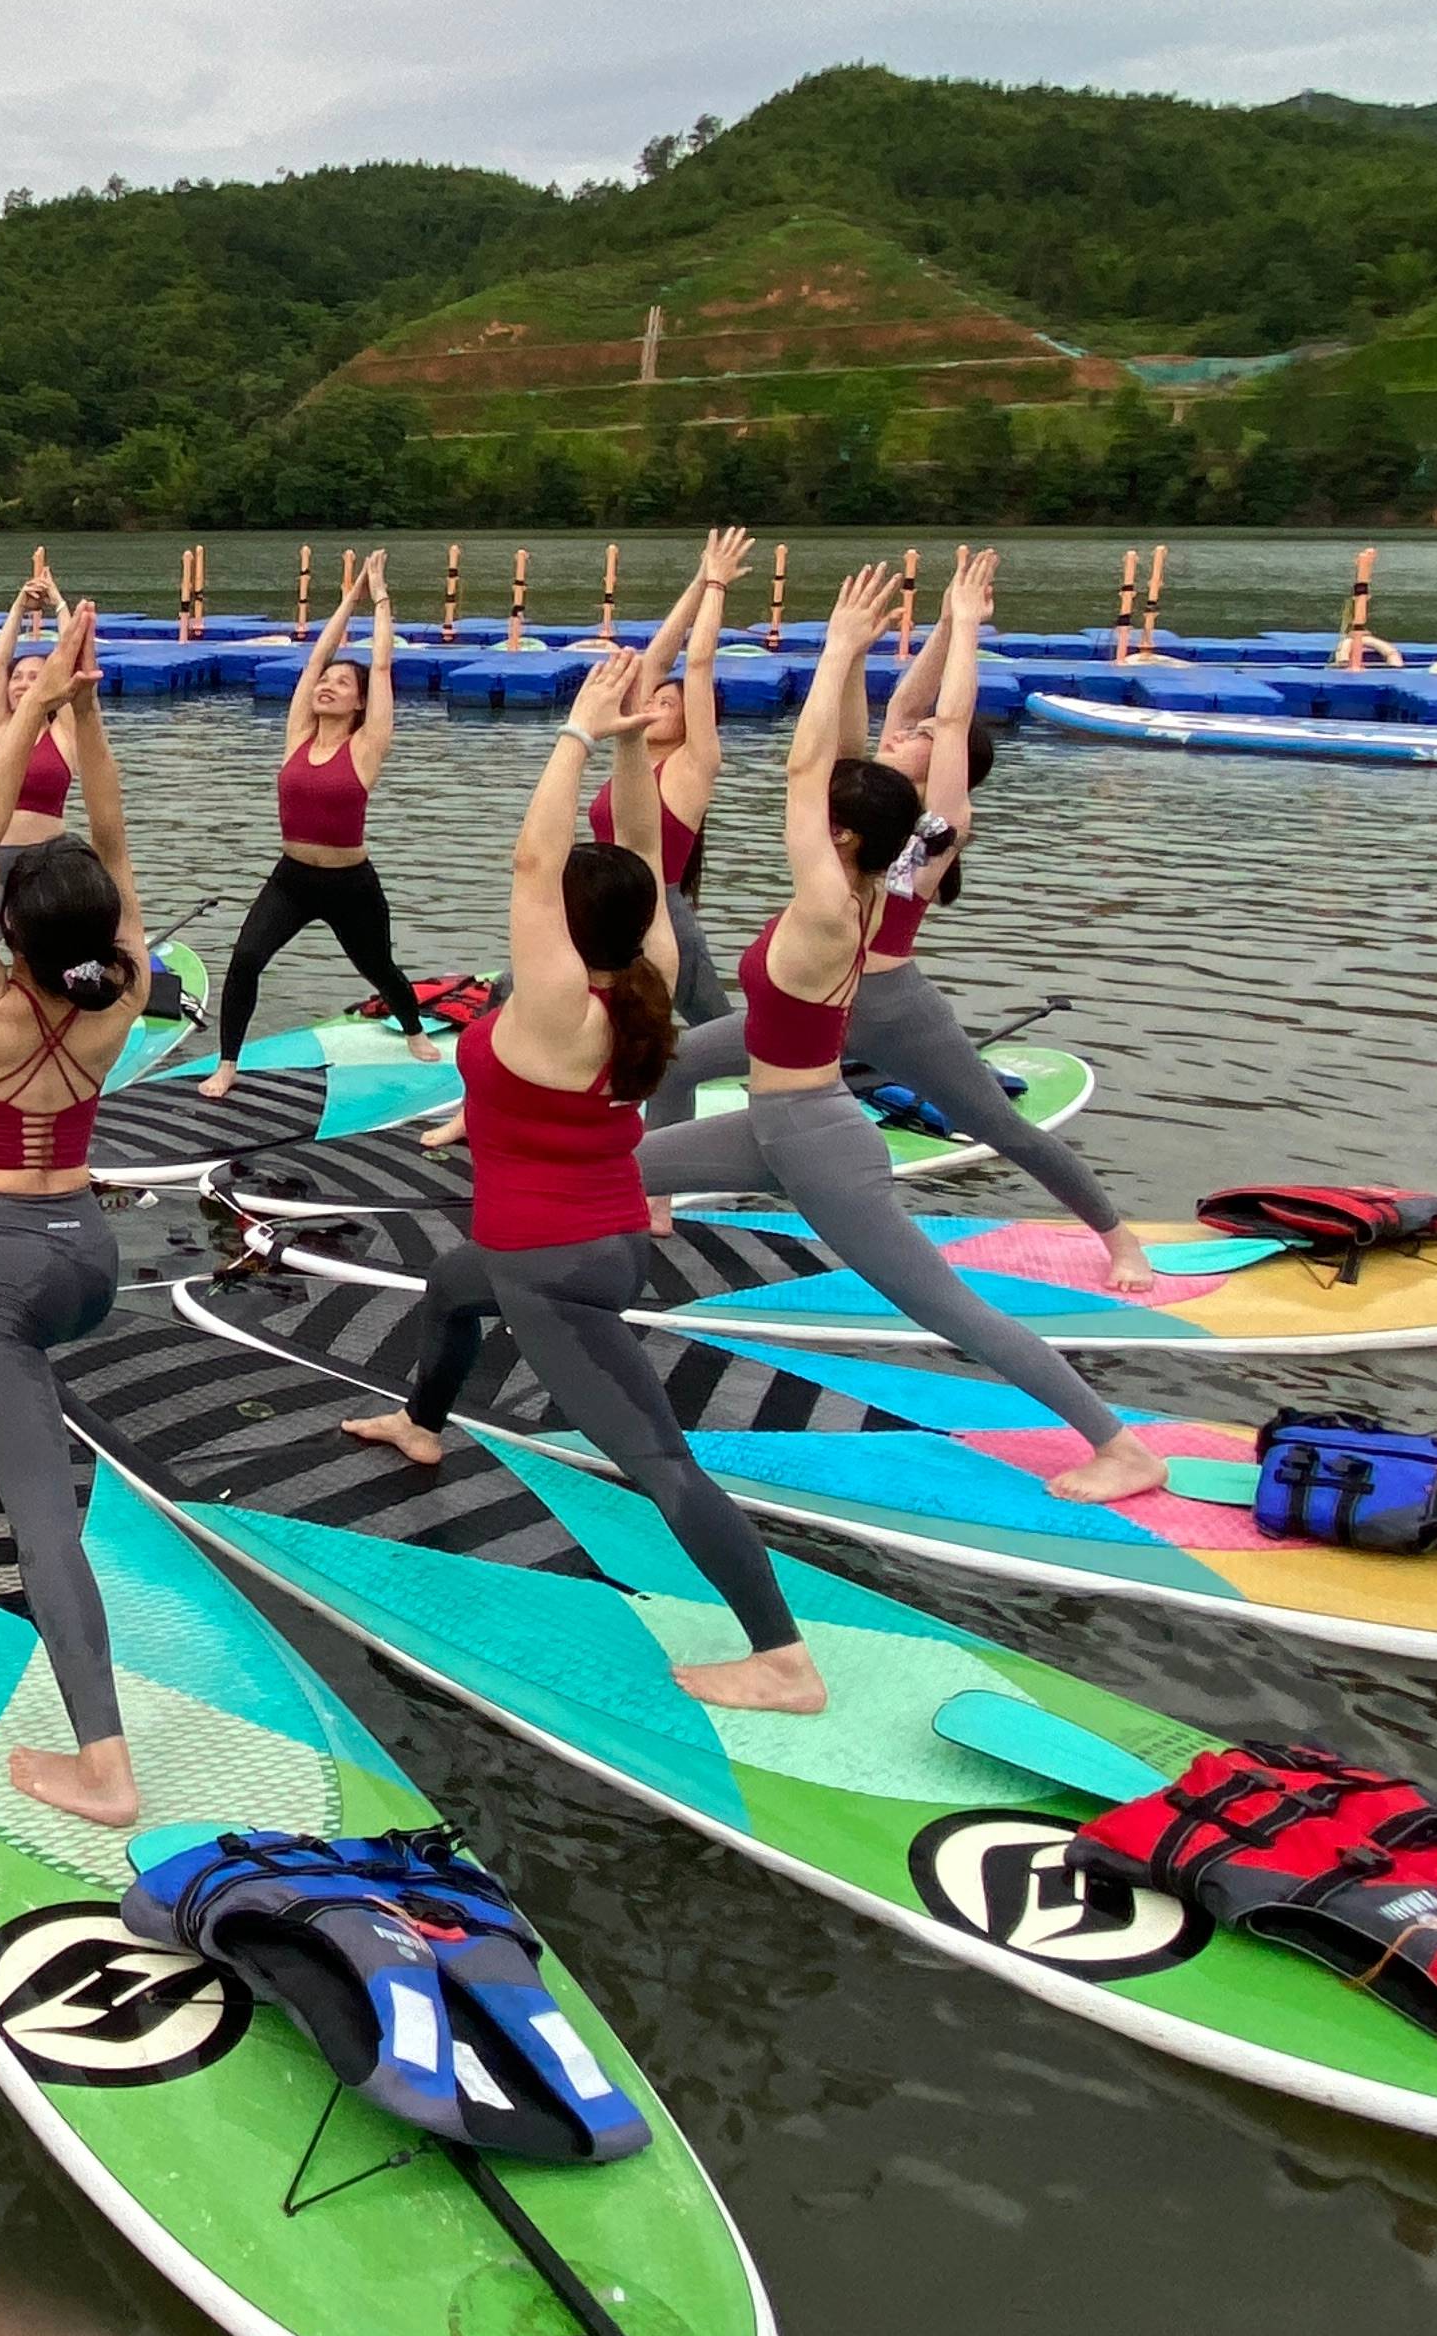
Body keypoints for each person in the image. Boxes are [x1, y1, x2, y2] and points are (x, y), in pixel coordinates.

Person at [337, 650, 821, 1713]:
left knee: (659, 1463)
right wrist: (640, 747)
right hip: (589, 1242)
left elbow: (530, 861)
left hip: (552, 1269)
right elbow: (640, 850)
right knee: (451, 1287)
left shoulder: (556, 1011)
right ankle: (424, 1423)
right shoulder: (643, 980)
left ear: (566, 922)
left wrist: (577, 734)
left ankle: (783, 1658)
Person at [632, 568, 1155, 1508]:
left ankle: (1119, 1437)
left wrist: (925, 637)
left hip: (851, 1079)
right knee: (617, 1158)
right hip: (784, 1097)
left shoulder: (899, 862)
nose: (905, 734)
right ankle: (583, 1301)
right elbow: (864, 743)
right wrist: (888, 645)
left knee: (945, 1288)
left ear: (842, 833)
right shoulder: (864, 844)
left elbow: (902, 744)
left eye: (914, 741)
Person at [0, 602, 156, 1824]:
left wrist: (35, 704)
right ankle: (10, 1416)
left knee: (40, 1517)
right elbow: (114, 839)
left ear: (13, 929)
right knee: (18, 1396)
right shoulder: (117, 997)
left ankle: (105, 1763)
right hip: (90, 1257)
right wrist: (84, 713)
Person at [858, 546, 1170, 1331]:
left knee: (998, 1127)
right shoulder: (874, 806)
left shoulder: (934, 833)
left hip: (892, 1006)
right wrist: (942, 625)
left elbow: (950, 718)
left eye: (919, 739)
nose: (899, 735)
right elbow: (910, 706)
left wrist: (966, 630)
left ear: (947, 764)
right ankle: (652, 1196)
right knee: (683, 1061)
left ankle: (1119, 1237)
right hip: (814, 998)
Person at [203, 552, 429, 1097]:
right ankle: (228, 1063)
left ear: (359, 705)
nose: (327, 685)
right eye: (324, 682)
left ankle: (415, 1028)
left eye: (340, 685)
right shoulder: (298, 737)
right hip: (293, 881)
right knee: (246, 958)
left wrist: (378, 598)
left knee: (380, 968)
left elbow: (380, 667)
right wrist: (346, 598)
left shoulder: (366, 748)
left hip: (351, 885)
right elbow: (312, 661)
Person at [601, 529, 748, 1054]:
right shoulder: (633, 752)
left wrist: (717, 586)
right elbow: (657, 659)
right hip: (604, 901)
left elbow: (699, 662)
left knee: (716, 1028)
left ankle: (807, 1069)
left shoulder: (695, 764)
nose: (654, 701)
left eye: (667, 702)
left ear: (692, 720)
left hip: (661, 910)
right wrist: (697, 579)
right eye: (653, 698)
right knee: (515, 987)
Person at [0, 574, 81, 891]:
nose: (23, 683)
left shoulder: (62, 734)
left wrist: (59, 603)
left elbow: (71, 663)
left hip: (49, 862)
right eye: (18, 677)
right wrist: (19, 606)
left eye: (35, 677)